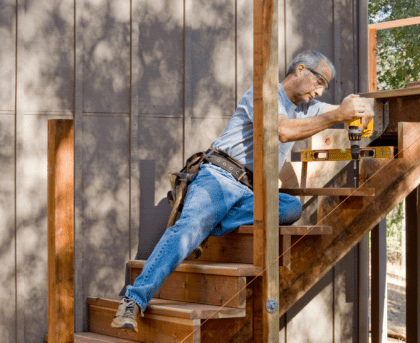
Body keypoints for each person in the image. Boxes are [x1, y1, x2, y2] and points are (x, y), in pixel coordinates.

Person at [111, 50, 373, 332]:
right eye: (320, 81)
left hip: (249, 191)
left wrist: (360, 109)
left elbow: (341, 110)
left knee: (291, 207)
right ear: (300, 70)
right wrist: (338, 114)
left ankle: (212, 221)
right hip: (220, 175)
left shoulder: (308, 108)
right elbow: (283, 131)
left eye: (326, 87)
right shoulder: (263, 93)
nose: (321, 91)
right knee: (188, 228)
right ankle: (133, 301)